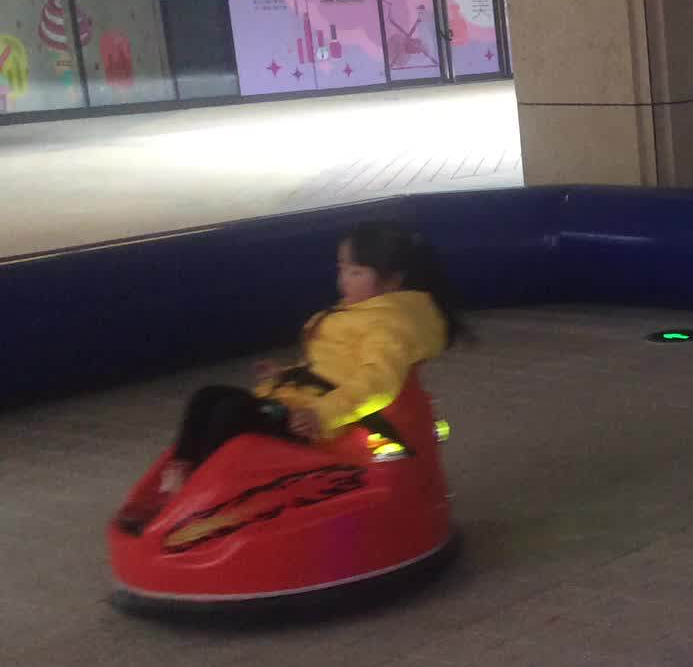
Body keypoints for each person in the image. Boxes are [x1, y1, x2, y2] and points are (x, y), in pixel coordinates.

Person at [118, 221, 464, 531]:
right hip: (299, 406)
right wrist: (285, 375)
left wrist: (321, 414)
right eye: (342, 268)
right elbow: (330, 367)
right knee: (208, 397)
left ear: (393, 280)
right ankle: (181, 476)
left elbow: (377, 383)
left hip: (321, 425)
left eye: (356, 272)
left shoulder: (390, 326)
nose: (343, 279)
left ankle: (192, 497)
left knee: (230, 413)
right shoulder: (362, 312)